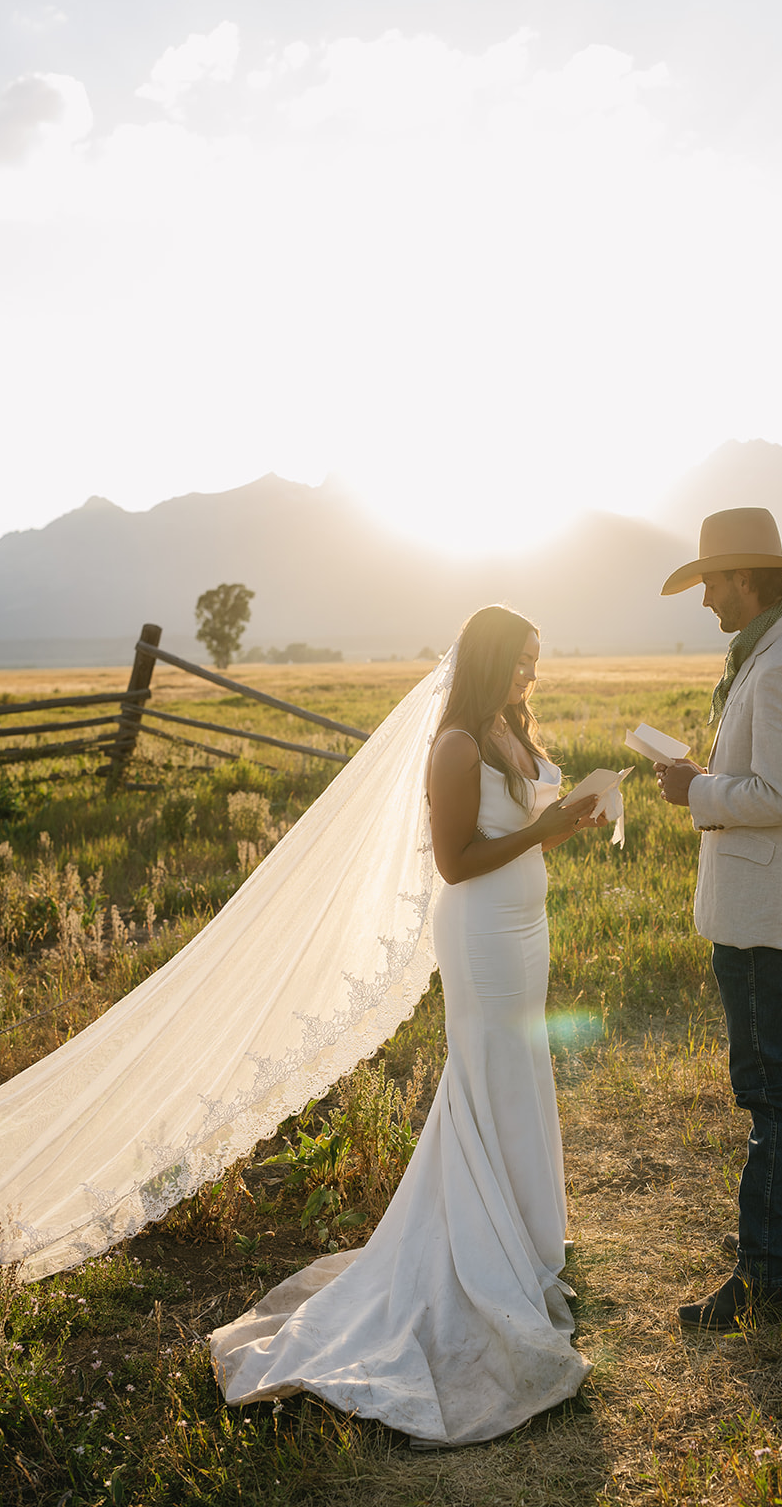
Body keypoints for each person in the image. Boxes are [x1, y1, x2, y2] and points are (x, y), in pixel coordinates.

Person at [210, 605, 606, 1444]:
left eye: (538, 663)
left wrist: (564, 824)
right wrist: (538, 827)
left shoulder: (507, 730)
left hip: (525, 928)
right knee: (486, 1072)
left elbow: (523, 839)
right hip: (481, 934)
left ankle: (525, 1241)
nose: (530, 677)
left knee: (519, 1071)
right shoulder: (457, 744)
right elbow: (456, 862)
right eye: (521, 662)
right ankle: (473, 1249)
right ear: (489, 660)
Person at [655, 507, 782, 1330]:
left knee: (768, 1089)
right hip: (761, 904)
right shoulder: (770, 658)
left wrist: (694, 789)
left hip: (762, 912)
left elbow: (779, 796)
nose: (704, 602)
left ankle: (766, 1274)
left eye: (710, 584)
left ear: (746, 579)